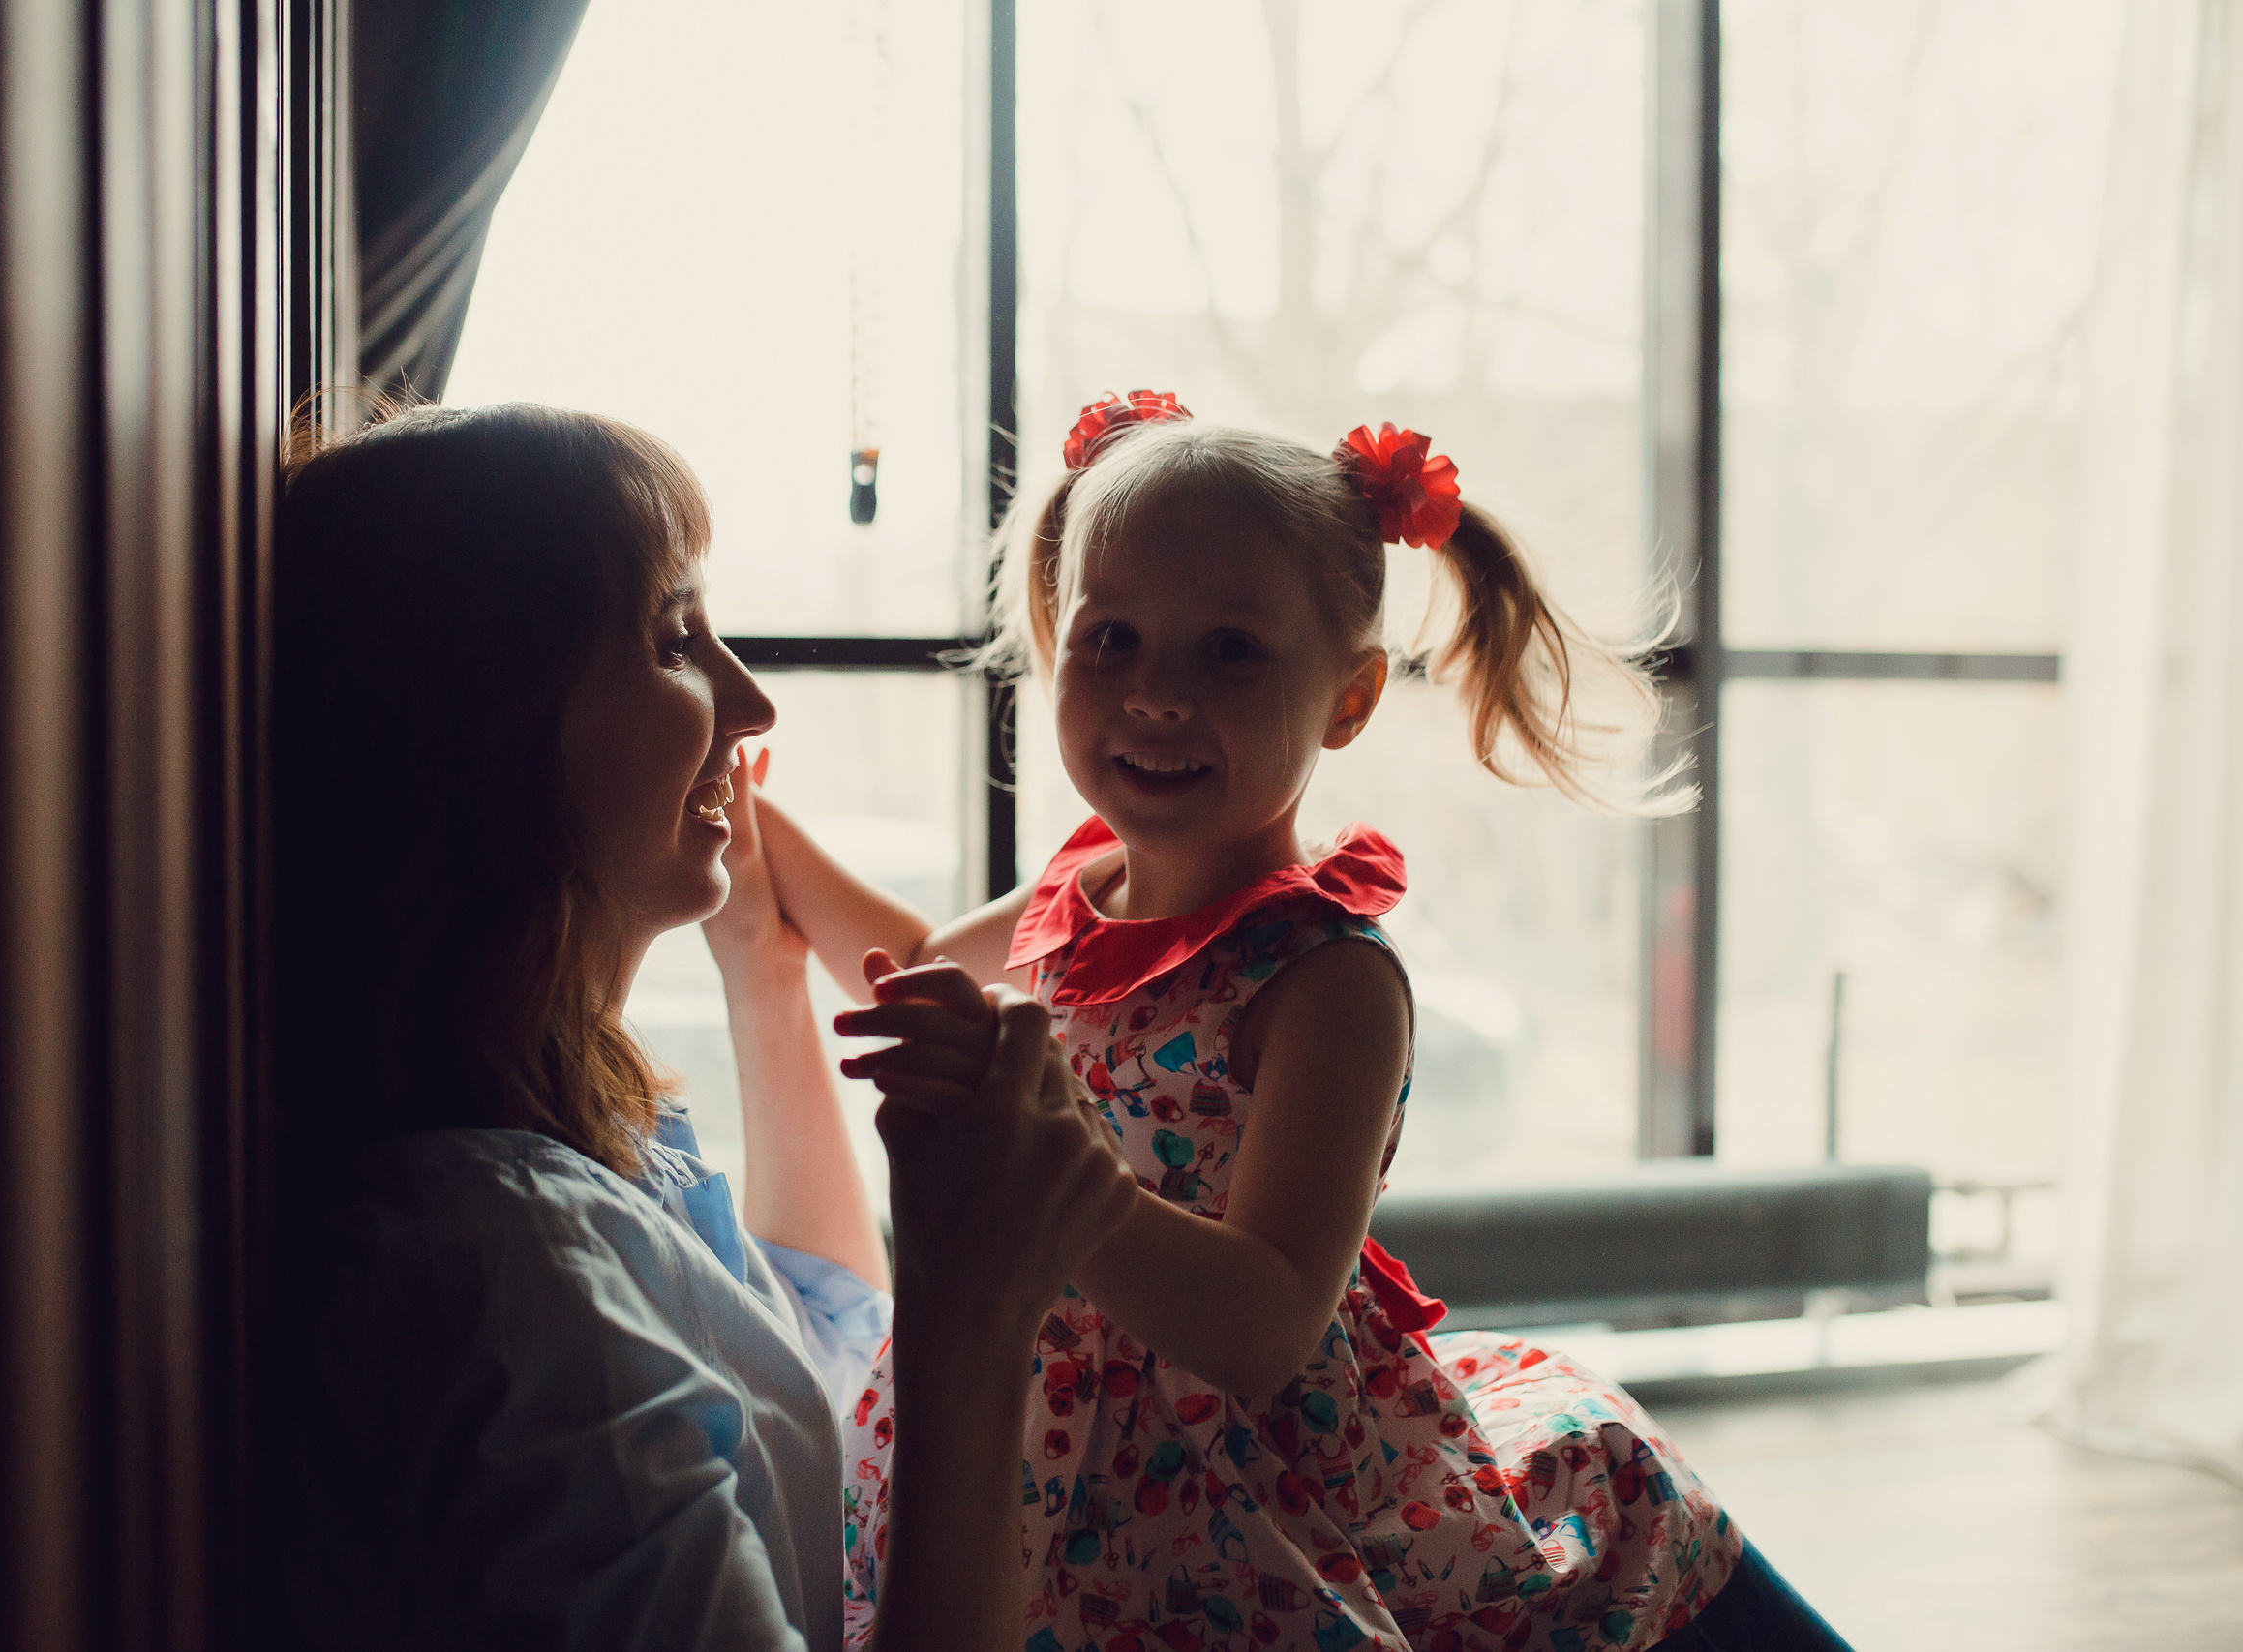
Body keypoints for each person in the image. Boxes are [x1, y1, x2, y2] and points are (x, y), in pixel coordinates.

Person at [746, 393, 1855, 1651]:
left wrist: (1070, 1191)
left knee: (1612, 1488)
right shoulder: (1070, 888)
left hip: (1235, 1481)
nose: (1154, 694)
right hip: (1026, 1437)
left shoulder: (1326, 979)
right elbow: (914, 976)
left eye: (1229, 650)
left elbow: (1269, 1321)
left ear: (1351, 697)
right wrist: (759, 837)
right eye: (1112, 638)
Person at [262, 400, 1140, 1652]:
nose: (749, 704)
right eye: (677, 640)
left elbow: (808, 1333)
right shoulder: (508, 1282)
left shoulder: (584, 1134)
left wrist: (768, 978)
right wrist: (977, 1319)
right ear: (494, 725)